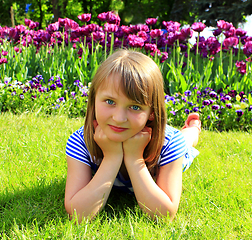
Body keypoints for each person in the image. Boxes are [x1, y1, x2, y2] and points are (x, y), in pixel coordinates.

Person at [64, 49, 201, 223]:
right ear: (93, 100)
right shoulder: (80, 142)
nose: (119, 118)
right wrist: (112, 157)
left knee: (186, 143)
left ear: (152, 112)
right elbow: (78, 214)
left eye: (135, 107)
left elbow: (164, 215)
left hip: (169, 142)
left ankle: (193, 129)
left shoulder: (171, 144)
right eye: (110, 102)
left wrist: (135, 158)